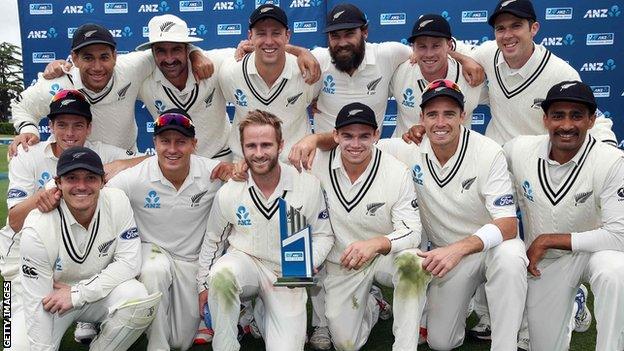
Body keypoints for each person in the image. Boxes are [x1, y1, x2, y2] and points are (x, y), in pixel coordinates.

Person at [376, 79, 527, 349]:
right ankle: (466, 302)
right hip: (451, 259)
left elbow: (507, 225)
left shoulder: (487, 151)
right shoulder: (407, 148)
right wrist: (317, 138)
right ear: (421, 117)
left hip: (489, 247)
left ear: (463, 115)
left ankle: (505, 345)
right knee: (440, 343)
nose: (441, 122)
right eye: (432, 114)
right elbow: (358, 146)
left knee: (511, 256)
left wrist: (458, 249)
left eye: (449, 113)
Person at [0, 90, 144, 349]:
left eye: (78, 125)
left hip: (72, 256)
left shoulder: (99, 153)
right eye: (62, 125)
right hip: (21, 256)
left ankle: (83, 317)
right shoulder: (28, 154)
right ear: (51, 126)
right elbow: (14, 221)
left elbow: (153, 160)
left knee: (123, 289)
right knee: (14, 337)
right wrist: (41, 199)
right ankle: (11, 307)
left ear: (89, 128)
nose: (69, 133)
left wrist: (121, 163)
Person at [196, 110, 334, 350]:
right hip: (245, 263)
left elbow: (323, 234)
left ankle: (260, 313)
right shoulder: (230, 191)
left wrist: (311, 259)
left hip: (286, 273)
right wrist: (203, 286)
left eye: (266, 145)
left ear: (280, 145)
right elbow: (213, 240)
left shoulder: (306, 184)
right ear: (241, 147)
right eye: (251, 145)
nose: (258, 153)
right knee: (222, 276)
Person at [504, 80, 624, 350]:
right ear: (545, 119)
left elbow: (619, 236)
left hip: (596, 253)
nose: (567, 125)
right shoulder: (519, 150)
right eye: (558, 115)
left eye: (577, 116)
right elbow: (481, 161)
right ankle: (576, 303)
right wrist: (421, 135)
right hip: (547, 263)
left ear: (592, 120)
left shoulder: (611, 161)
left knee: (615, 271)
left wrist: (549, 239)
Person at [301, 102, 425, 350]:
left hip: (381, 256)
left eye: (364, 136)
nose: (355, 144)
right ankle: (374, 304)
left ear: (376, 135)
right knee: (346, 344)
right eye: (347, 136)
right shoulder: (315, 164)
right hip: (342, 263)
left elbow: (413, 230)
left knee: (413, 264)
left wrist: (377, 243)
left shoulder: (396, 171)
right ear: (335, 135)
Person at [19, 146, 161, 350]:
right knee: (21, 346)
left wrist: (78, 293)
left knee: (136, 297)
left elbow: (129, 264)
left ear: (103, 181)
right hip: (49, 299)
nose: (82, 186)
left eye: (90, 178)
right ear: (58, 182)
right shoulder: (37, 226)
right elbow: (36, 307)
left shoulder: (117, 201)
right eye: (72, 178)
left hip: (93, 294)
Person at [106, 109, 223, 350]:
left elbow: (251, 180)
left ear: (194, 144)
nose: (172, 149)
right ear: (155, 143)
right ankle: (156, 346)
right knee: (154, 268)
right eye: (165, 141)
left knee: (180, 341)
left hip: (191, 263)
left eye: (181, 142)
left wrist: (237, 171)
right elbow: (98, 198)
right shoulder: (135, 177)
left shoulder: (214, 173)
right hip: (152, 254)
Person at [10, 23, 211, 155]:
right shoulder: (59, 83)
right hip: (75, 167)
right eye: (88, 57)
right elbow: (21, 105)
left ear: (115, 56)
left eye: (104, 57)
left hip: (125, 162)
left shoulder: (131, 67)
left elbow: (167, 51)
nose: (97, 67)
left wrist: (195, 53)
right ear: (75, 58)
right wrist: (28, 129)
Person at [218, 4, 320, 162]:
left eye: (276, 33)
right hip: (245, 166)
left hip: (295, 164)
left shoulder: (307, 71)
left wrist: (300, 51)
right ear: (250, 36)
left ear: (287, 36)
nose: (269, 41)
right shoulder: (230, 72)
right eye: (261, 33)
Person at [390, 14, 487, 137]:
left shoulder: (470, 77)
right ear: (413, 47)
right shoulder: (400, 72)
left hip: (455, 155)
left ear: (449, 46)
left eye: (436, 46)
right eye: (422, 46)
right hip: (406, 153)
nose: (429, 54)